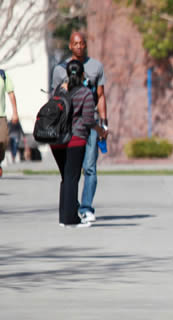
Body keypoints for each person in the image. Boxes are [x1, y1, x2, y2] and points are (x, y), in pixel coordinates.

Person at [52, 32, 107, 223]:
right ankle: (71, 209)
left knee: (88, 167)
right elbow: (54, 101)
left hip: (88, 125)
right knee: (70, 173)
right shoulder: (59, 70)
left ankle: (85, 208)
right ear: (70, 45)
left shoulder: (96, 66)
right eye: (75, 43)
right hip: (69, 128)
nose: (79, 46)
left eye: (82, 43)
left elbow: (101, 95)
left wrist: (103, 122)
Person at [0, 68, 19, 177]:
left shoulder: (3, 75)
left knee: (3, 141)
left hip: (1, 116)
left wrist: (15, 113)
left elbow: (11, 94)